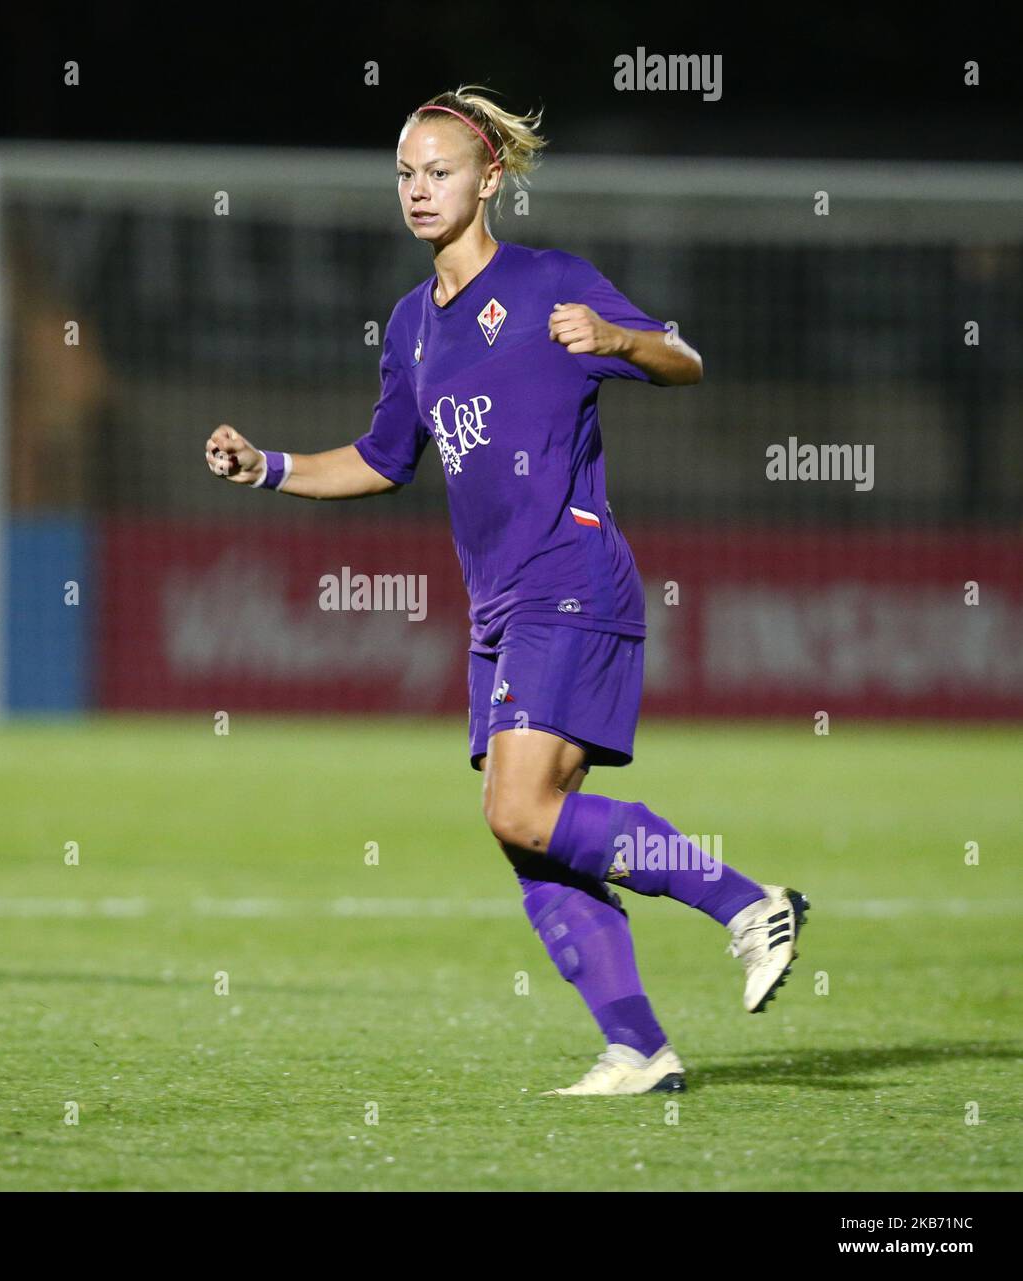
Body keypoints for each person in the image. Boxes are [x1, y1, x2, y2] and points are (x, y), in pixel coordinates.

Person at [204, 84, 807, 1096]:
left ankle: (748, 906)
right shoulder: (410, 327)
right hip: (496, 605)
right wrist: (266, 467)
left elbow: (686, 360)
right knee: (523, 829)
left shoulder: (547, 282)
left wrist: (620, 341)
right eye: (405, 172)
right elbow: (382, 459)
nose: (418, 189)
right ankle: (637, 1049)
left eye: (439, 170)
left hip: (567, 576)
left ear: (489, 180)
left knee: (523, 810)